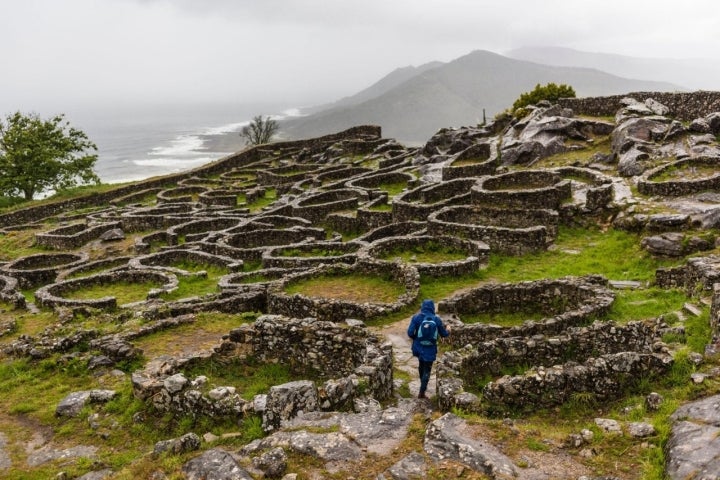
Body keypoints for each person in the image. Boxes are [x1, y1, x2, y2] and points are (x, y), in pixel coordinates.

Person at [407, 299, 449, 399]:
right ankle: (422, 392)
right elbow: (444, 334)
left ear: (422, 307)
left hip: (418, 347)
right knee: (427, 369)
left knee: (421, 365)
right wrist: (448, 330)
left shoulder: (416, 317)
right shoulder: (436, 319)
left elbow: (410, 333)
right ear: (432, 308)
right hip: (430, 348)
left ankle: (422, 386)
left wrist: (416, 339)